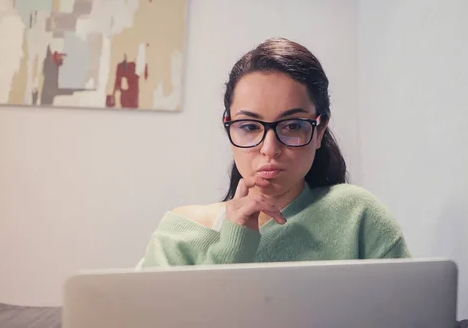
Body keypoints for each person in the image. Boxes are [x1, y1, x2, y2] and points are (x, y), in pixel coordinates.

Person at [136, 37, 410, 269]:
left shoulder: (357, 214)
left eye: (292, 125)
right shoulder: (181, 233)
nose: (269, 149)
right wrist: (232, 248)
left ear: (320, 129)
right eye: (250, 126)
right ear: (228, 127)